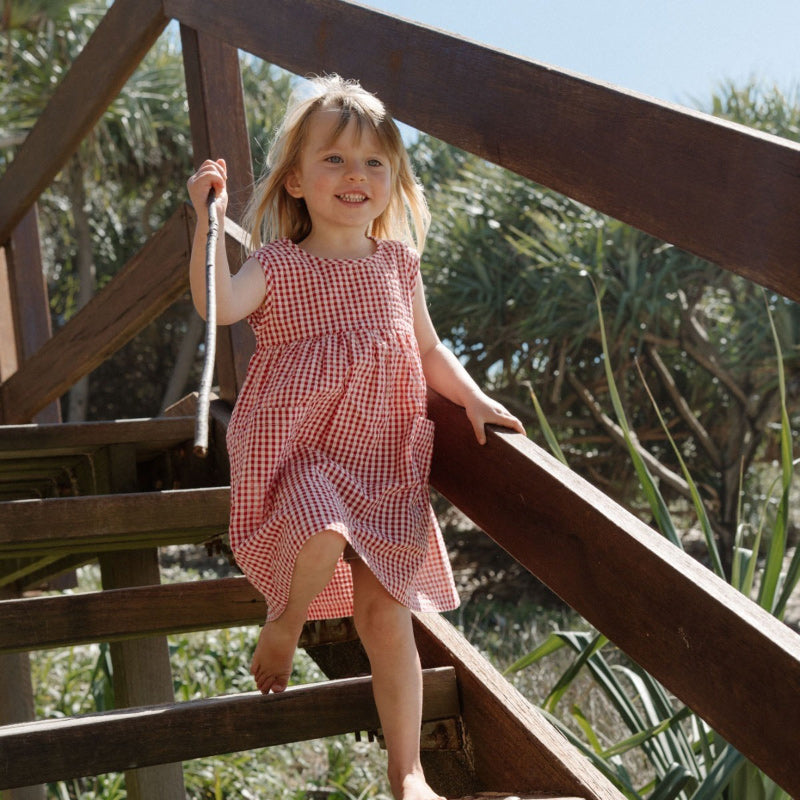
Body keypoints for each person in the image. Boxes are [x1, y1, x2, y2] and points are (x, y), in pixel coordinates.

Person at [187, 74, 525, 800]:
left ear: (394, 179)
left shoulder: (398, 266)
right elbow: (218, 305)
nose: (356, 175)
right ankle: (286, 620)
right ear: (298, 181)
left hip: (384, 460)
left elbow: (430, 350)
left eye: (374, 162)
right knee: (322, 528)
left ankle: (407, 774)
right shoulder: (278, 265)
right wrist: (207, 224)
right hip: (300, 451)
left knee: (386, 616)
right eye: (335, 159)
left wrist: (470, 397)